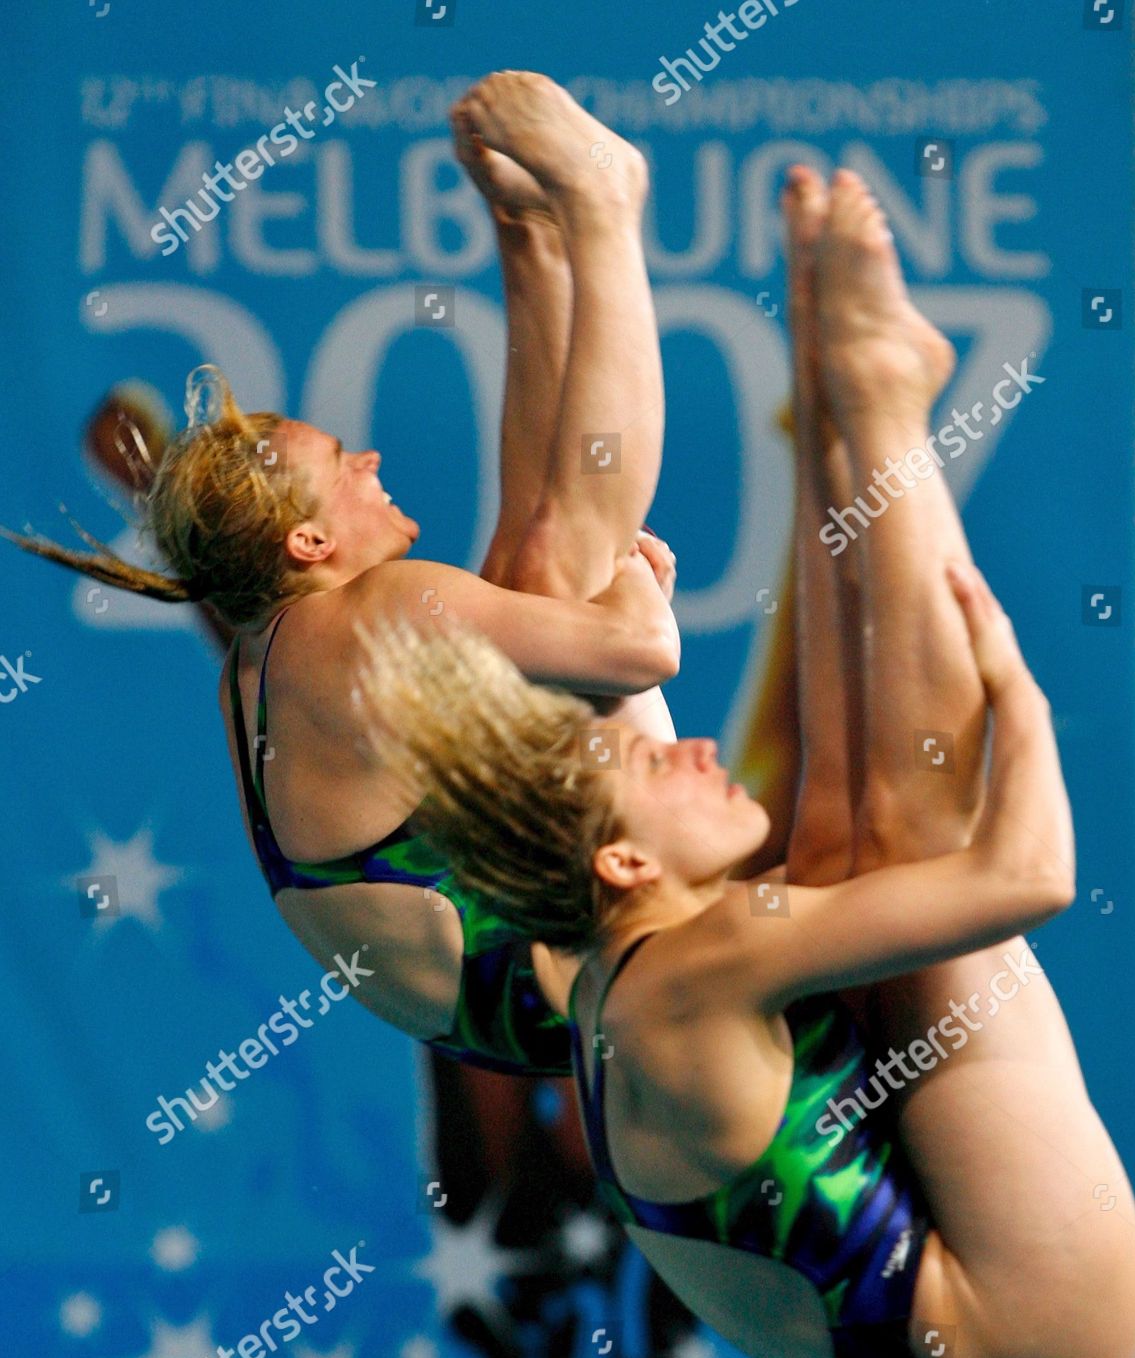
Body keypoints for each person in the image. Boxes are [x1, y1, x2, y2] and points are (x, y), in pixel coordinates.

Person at [354, 168, 1135, 1358]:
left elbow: (564, 560)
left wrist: (556, 241)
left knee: (845, 844)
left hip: (890, 1288)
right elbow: (1028, 879)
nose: (692, 750)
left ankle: (846, 401)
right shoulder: (680, 972)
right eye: (657, 766)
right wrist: (1019, 697)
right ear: (620, 865)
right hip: (1035, 1321)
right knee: (905, 838)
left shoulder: (636, 947)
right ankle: (873, 402)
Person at [1, 71, 680, 1078]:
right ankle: (602, 211)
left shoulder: (270, 651)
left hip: (510, 996)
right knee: (563, 560)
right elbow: (642, 652)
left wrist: (517, 236)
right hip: (570, 976)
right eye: (340, 463)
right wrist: (635, 582)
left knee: (525, 569)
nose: (367, 459)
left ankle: (533, 237)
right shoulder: (369, 615)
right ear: (307, 547)